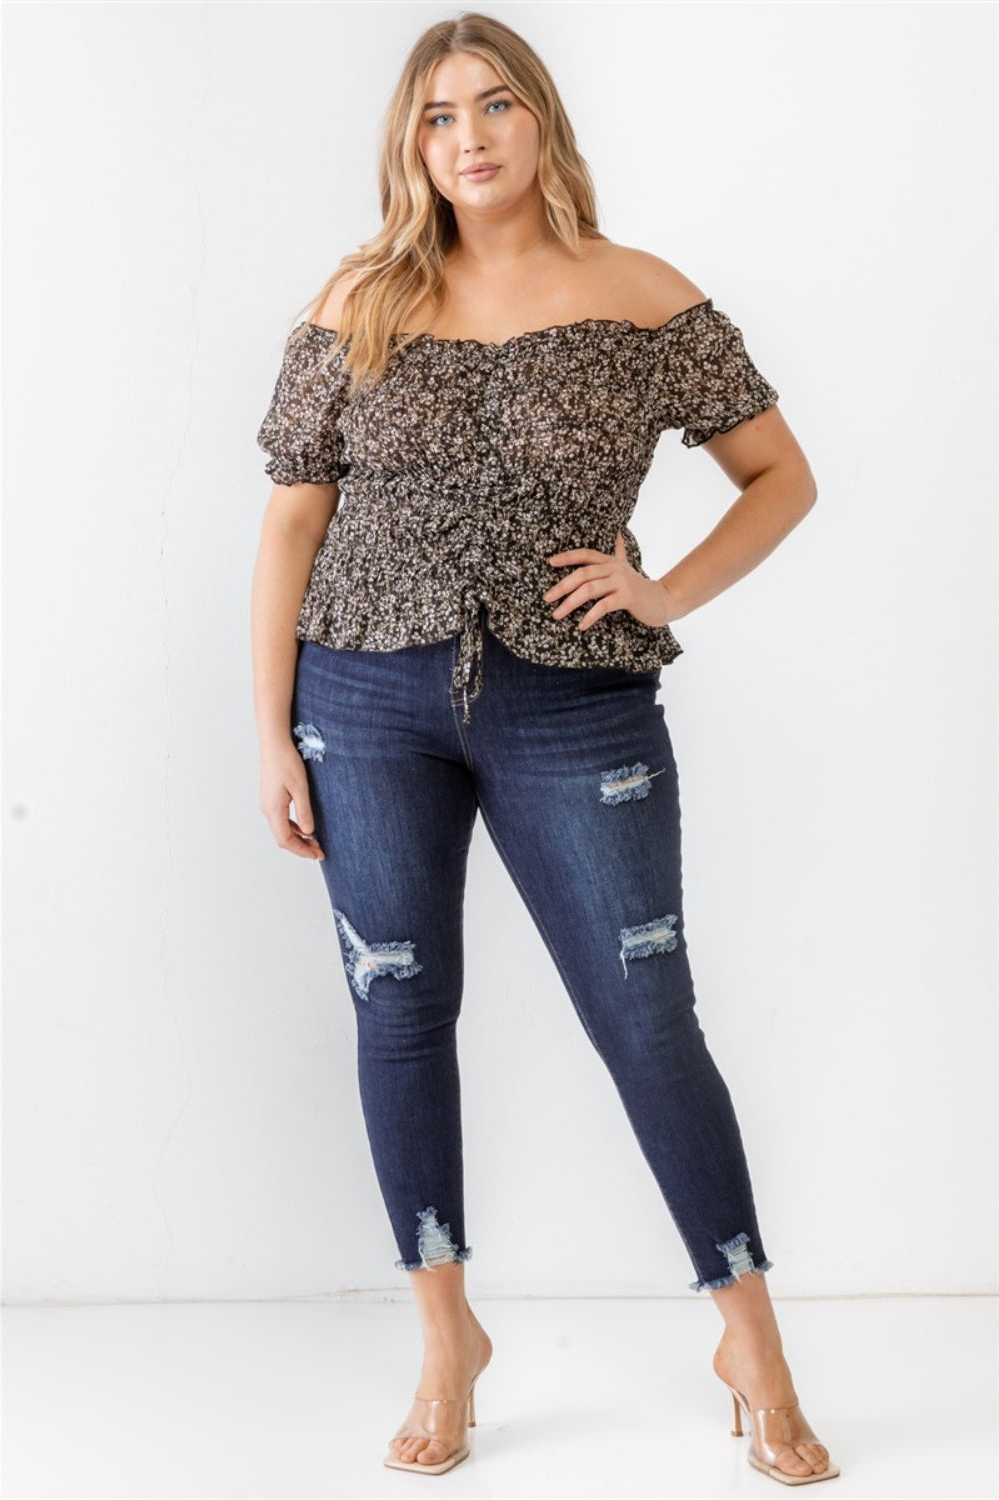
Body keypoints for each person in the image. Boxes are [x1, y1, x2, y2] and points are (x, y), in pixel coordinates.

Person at [251, 10, 839, 1487]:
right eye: (441, 117)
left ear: (542, 124)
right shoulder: (359, 301)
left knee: (648, 1021)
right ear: (414, 145)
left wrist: (663, 587)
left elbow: (780, 476)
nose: (471, 138)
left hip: (577, 701)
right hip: (364, 699)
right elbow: (293, 520)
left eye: (496, 106)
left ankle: (750, 1338)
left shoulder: (640, 296)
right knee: (401, 1017)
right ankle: (448, 1334)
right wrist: (270, 729)